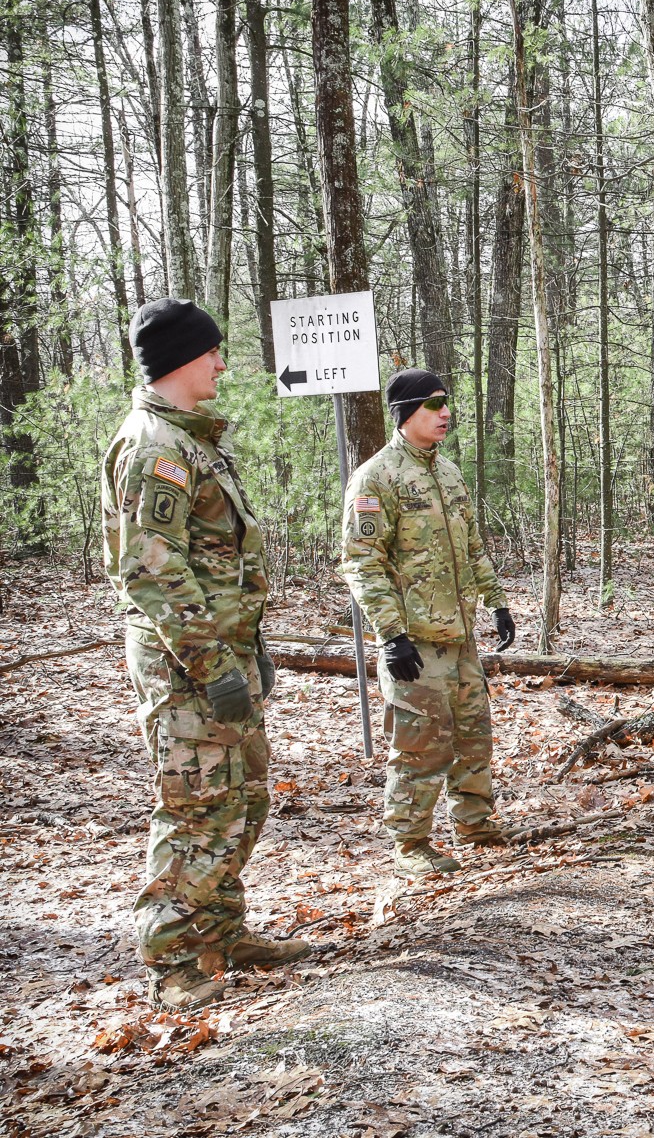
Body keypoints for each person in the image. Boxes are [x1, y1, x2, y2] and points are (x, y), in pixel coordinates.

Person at [102, 297, 309, 1009]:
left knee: (242, 801)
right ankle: (174, 961)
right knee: (196, 809)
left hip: (222, 653)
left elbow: (217, 558)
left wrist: (248, 649)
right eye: (214, 351)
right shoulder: (155, 445)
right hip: (188, 666)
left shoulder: (192, 439)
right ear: (183, 359)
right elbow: (152, 569)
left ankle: (221, 931)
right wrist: (213, 665)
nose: (223, 363)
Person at [340, 370, 515, 878]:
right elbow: (361, 561)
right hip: (415, 640)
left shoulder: (449, 473)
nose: (445, 414)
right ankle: (411, 841)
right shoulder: (377, 477)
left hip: (459, 637)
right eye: (434, 405)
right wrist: (391, 635)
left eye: (446, 404)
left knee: (472, 735)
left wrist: (496, 602)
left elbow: (473, 546)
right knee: (420, 744)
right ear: (405, 413)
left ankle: (475, 824)